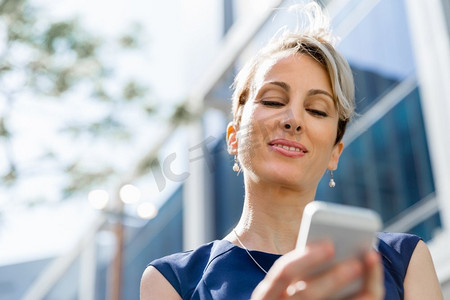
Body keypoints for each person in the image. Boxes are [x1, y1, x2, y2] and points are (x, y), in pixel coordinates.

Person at [141, 3, 443, 299]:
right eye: (273, 101)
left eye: (316, 110)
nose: (293, 120)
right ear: (233, 138)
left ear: (335, 153)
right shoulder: (173, 281)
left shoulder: (403, 262)